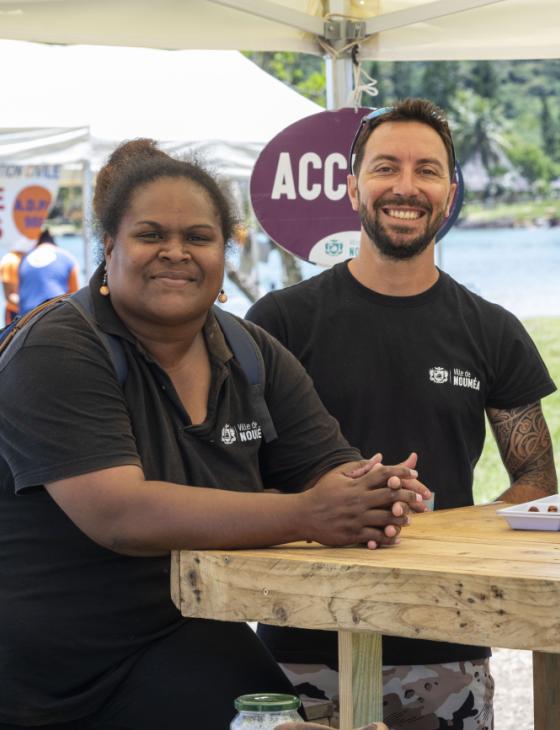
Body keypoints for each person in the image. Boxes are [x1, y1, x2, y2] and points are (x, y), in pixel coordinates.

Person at [0, 139, 427, 730]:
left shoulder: (250, 352)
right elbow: (120, 516)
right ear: (108, 248)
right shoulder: (57, 346)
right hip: (45, 681)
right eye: (150, 235)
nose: (175, 252)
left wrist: (374, 492)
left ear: (224, 254)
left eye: (198, 238)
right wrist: (308, 514)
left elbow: (328, 467)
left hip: (184, 635)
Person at [247, 98, 558, 729]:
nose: (406, 187)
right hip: (303, 649)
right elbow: (236, 475)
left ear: (450, 191)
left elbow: (537, 482)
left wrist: (444, 534)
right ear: (353, 183)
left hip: (445, 645)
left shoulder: (493, 331)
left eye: (428, 170)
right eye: (387, 167)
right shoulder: (279, 323)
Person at [15, 227, 78, 317]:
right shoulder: (67, 257)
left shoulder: (24, 258)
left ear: (37, 243)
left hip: (27, 316)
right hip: (56, 312)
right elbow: (75, 295)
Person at [0, 245, 25, 325]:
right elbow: (10, 295)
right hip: (15, 312)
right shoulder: (10, 260)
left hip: (37, 311)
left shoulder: (36, 256)